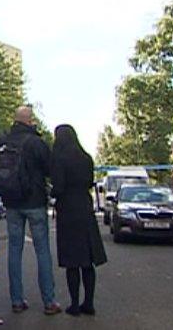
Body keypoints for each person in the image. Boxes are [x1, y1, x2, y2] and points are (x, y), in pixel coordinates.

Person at [0, 106, 61, 315]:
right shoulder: (36, 142)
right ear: (30, 120)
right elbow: (50, 169)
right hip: (34, 202)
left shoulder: (3, 142)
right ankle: (49, 302)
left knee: (14, 251)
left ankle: (16, 300)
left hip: (11, 203)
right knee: (42, 250)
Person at [50, 124, 107, 316]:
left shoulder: (59, 159)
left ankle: (74, 304)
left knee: (72, 261)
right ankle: (89, 303)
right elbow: (90, 181)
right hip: (85, 207)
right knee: (87, 260)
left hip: (67, 210)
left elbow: (58, 187)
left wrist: (51, 191)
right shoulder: (86, 158)